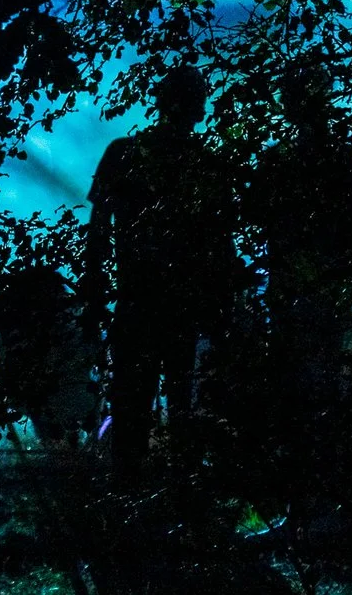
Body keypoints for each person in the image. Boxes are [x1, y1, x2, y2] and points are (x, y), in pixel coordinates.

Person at [243, 66, 352, 506]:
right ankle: (314, 493)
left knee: (307, 392)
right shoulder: (328, 160)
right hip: (312, 294)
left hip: (312, 294)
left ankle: (310, 494)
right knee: (312, 392)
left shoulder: (303, 161)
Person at [85, 65, 242, 480]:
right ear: (195, 107)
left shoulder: (124, 154)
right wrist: (225, 300)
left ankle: (130, 491)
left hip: (140, 300)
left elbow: (98, 229)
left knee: (134, 402)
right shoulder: (203, 163)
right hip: (184, 304)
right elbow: (221, 241)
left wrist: (95, 289)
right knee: (182, 401)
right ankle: (180, 491)